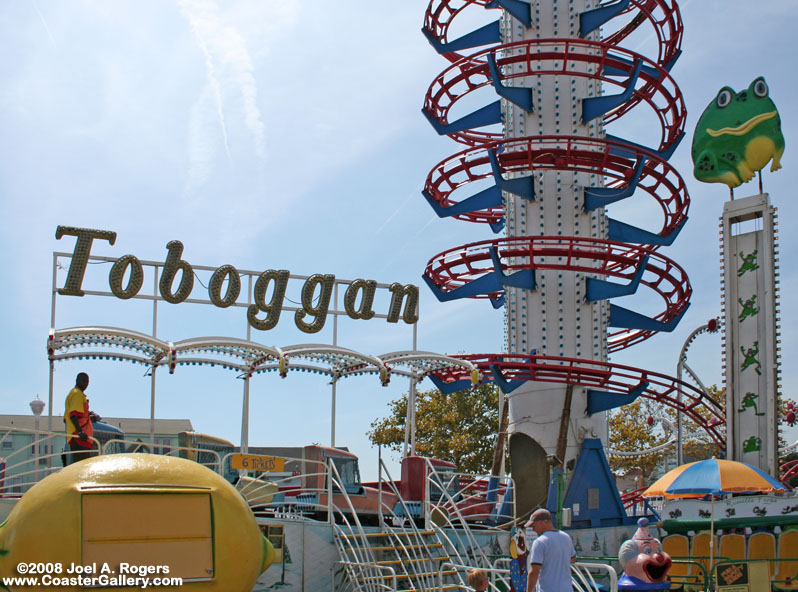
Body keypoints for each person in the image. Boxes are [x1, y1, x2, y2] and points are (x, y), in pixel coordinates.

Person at [525, 508, 576, 592]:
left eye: (533, 526)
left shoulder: (540, 542)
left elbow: (534, 572)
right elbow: (573, 559)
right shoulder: (566, 537)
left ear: (542, 523)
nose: (533, 529)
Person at [64, 372, 98, 463]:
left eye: (87, 382)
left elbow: (79, 415)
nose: (85, 384)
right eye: (83, 381)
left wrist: (89, 416)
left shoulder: (73, 394)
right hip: (79, 438)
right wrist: (80, 432)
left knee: (81, 465)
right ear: (77, 380)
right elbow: (73, 415)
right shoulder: (77, 394)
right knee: (82, 467)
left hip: (79, 438)